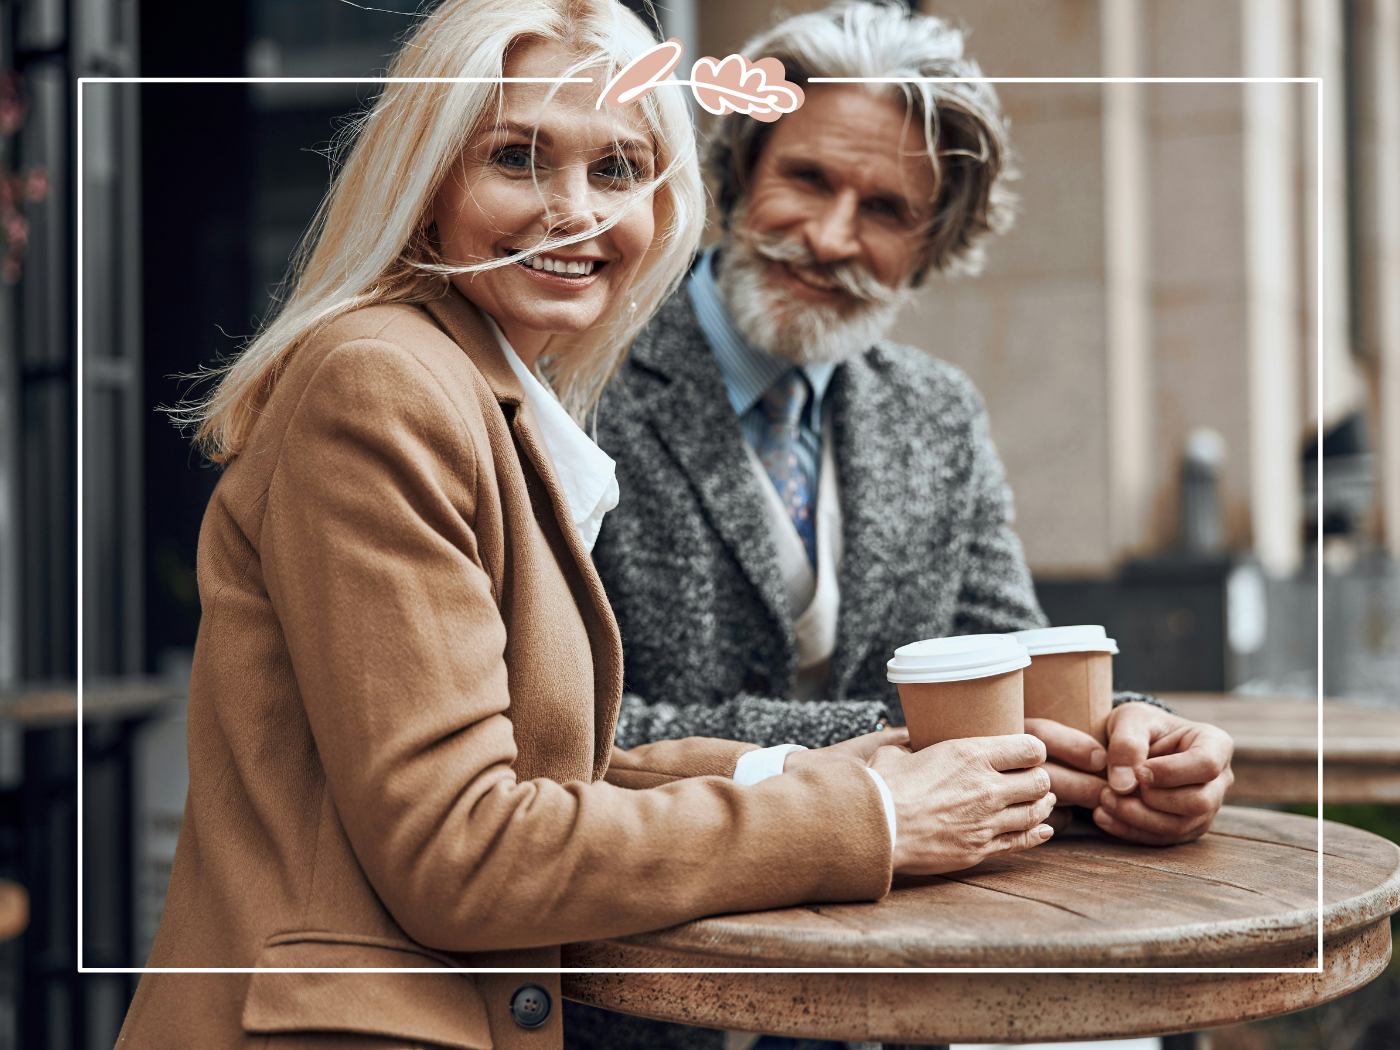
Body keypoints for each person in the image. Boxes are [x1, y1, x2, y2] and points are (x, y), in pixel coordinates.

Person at [116, 3, 1061, 1049]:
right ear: (428, 174)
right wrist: (865, 817)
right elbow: (465, 850)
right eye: (518, 158)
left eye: (617, 170)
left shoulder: (485, 386)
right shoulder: (382, 383)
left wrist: (819, 778)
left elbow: (551, 769)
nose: (575, 210)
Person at [593, 0, 1235, 866]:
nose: (829, 238)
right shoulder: (585, 371)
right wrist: (896, 740)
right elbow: (568, 725)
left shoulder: (938, 413)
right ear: (741, 173)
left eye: (886, 210)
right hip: (643, 933)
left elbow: (1016, 666)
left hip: (905, 935)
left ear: (934, 245)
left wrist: (1138, 739)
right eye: (809, 179)